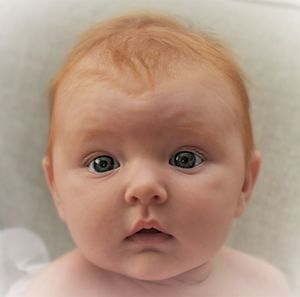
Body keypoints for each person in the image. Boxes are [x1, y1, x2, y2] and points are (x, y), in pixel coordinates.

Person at [25, 11, 290, 297]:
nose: (145, 187)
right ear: (56, 190)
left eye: (185, 159)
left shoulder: (263, 285)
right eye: (103, 164)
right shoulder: (53, 291)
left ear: (244, 184)